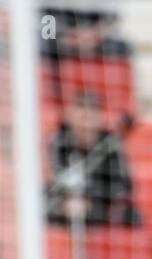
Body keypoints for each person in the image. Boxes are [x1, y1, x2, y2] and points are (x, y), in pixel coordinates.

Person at [46, 91, 141, 228]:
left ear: (99, 119)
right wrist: (68, 199)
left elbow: (123, 185)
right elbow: (53, 178)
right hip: (65, 207)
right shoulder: (59, 143)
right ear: (71, 117)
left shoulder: (110, 144)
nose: (85, 124)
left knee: (132, 216)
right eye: (81, 116)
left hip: (100, 207)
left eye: (90, 116)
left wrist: (90, 198)